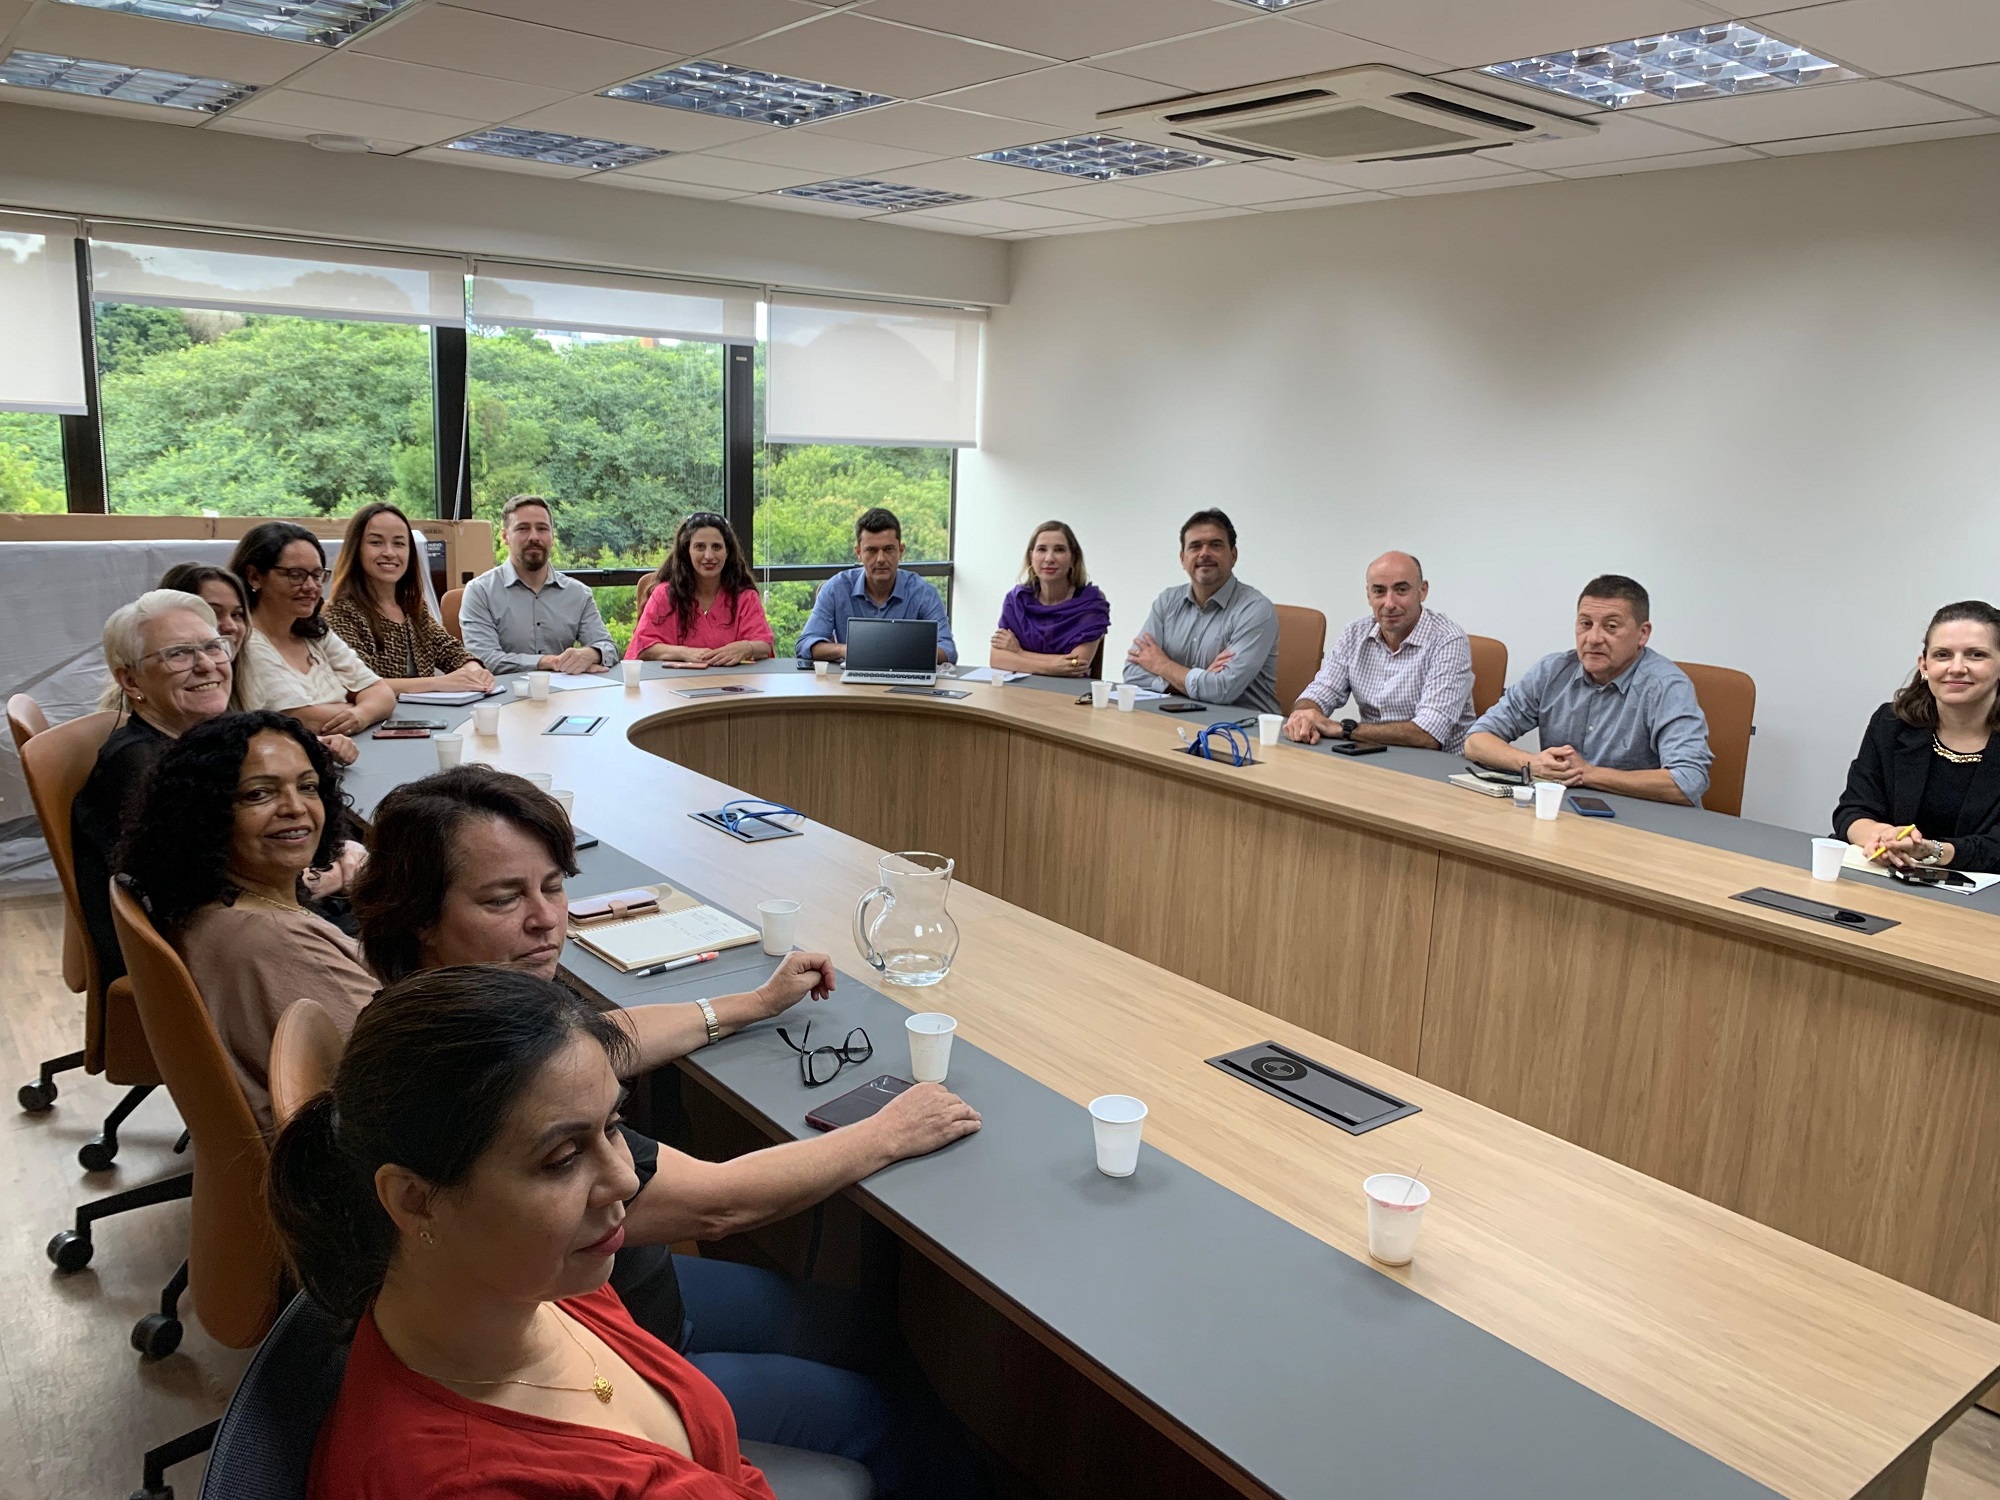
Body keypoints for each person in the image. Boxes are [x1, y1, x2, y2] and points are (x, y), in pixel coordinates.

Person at [349, 765, 986, 1494]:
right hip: (635, 1328)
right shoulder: (471, 1085)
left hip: (612, 1305)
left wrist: (748, 1003)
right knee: (893, 1418)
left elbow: (600, 1036)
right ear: (420, 920)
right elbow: (720, 1204)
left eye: (553, 886)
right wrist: (888, 1132)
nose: (546, 918)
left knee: (869, 1332)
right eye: (503, 898)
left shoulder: (435, 1022)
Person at [268, 967, 784, 1500]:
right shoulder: (463, 1482)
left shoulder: (528, 1282)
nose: (625, 1179)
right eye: (562, 1158)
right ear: (413, 1200)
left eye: (612, 1126)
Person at [119, 712, 374, 1135]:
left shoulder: (209, 907)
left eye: (307, 787)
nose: (296, 808)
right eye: (259, 795)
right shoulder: (275, 942)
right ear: (208, 814)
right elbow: (415, 1068)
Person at [73, 591, 237, 988]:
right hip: (195, 972)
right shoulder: (140, 769)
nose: (206, 665)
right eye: (179, 654)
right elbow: (204, 896)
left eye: (213, 647)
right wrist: (321, 875)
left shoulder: (191, 745)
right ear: (130, 680)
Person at [1464, 574, 1712, 807]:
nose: (1593, 638)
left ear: (1642, 634)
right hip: (1565, 813)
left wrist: (1588, 774)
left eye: (1611, 627)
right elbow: (1476, 741)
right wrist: (1532, 764)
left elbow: (1687, 781)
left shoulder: (1666, 686)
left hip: (1644, 826)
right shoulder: (1553, 671)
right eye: (1586, 624)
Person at [1834, 600, 2000, 873]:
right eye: (1942, 655)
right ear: (1924, 665)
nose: (1956, 668)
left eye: (1976, 655)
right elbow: (1853, 810)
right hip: (1883, 878)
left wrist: (1931, 851)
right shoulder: (1891, 723)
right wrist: (1880, 838)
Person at [157, 560, 359, 765]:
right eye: (213, 613)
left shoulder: (241, 675)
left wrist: (318, 743)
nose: (231, 626)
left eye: (237, 615)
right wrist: (359, 708)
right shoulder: (154, 735)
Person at [1284, 551, 1475, 751]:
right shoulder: (1355, 633)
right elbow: (1320, 691)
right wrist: (1303, 716)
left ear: (1423, 591)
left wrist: (1341, 729)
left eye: (1401, 590)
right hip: (1373, 755)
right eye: (1379, 591)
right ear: (1368, 595)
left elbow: (1428, 734)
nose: (1389, 603)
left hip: (1436, 765)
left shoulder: (1448, 640)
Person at [229, 522, 396, 735]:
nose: (310, 587)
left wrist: (360, 715)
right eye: (296, 575)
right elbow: (300, 719)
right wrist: (363, 707)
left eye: (317, 575)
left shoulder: (314, 632)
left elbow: (382, 693)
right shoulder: (245, 641)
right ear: (254, 576)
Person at [324, 502, 496, 697]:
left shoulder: (412, 606)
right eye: (376, 542)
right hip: (374, 721)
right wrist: (438, 683)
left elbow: (448, 649)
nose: (389, 552)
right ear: (355, 549)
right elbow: (356, 683)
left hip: (424, 717)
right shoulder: (340, 612)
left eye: (399, 543)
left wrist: (474, 669)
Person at [1123, 508, 1280, 715]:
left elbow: (1223, 690)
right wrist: (1200, 682)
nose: (1204, 553)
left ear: (1233, 555)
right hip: (1177, 717)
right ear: (1182, 558)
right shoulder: (1167, 601)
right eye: (1195, 546)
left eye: (1215, 545)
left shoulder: (1256, 610)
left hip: (1246, 728)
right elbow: (1132, 672)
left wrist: (1161, 665)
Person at [459, 495, 618, 676]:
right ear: (505, 536)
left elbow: (609, 648)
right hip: (504, 698)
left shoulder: (578, 593)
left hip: (564, 697)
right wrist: (547, 662)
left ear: (552, 536)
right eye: (523, 529)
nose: (534, 537)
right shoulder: (480, 592)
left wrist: (591, 654)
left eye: (542, 529)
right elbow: (485, 659)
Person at [795, 508, 956, 666]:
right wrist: (846, 650)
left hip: (907, 684)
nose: (880, 559)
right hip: (851, 684)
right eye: (871, 550)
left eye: (888, 549)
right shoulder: (836, 588)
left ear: (901, 550)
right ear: (858, 552)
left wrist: (896, 652)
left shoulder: (923, 592)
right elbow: (805, 644)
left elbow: (948, 651)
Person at [628, 512, 774, 668]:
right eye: (699, 547)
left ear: (727, 552)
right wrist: (685, 653)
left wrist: (746, 648)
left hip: (733, 687)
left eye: (716, 547)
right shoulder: (665, 594)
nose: (709, 555)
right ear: (686, 551)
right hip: (672, 686)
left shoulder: (744, 596)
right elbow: (643, 647)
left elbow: (764, 645)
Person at [989, 520, 1109, 678]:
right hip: (1020, 691)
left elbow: (1077, 664)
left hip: (1069, 695)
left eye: (1059, 550)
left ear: (1073, 558)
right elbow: (997, 658)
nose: (1049, 558)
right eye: (1041, 549)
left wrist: (1018, 653)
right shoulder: (1016, 600)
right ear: (1031, 556)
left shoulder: (1091, 604)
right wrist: (1052, 666)